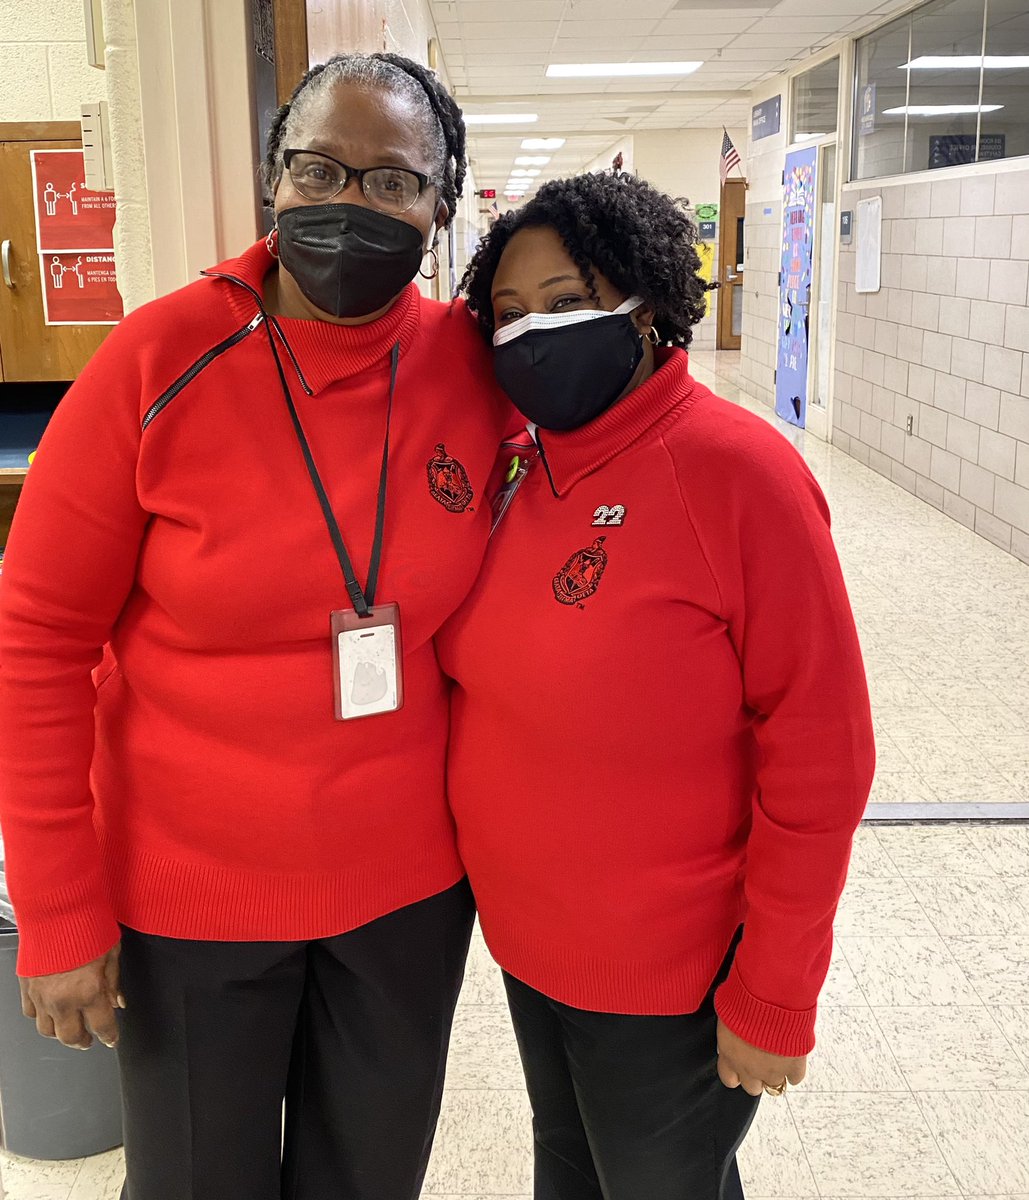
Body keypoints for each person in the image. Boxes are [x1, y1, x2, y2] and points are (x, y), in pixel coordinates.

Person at [0, 52, 509, 1200]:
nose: (350, 203)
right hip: (190, 896)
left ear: (441, 207)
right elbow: (35, 643)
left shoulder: (474, 371)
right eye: (319, 169)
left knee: (369, 1181)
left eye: (394, 181)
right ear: (273, 179)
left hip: (407, 897)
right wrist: (58, 908)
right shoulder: (157, 359)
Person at [437, 171, 876, 1200]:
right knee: (569, 1174)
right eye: (508, 313)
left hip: (672, 975)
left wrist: (776, 989)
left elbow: (823, 751)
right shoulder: (523, 470)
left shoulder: (735, 473)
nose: (532, 334)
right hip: (532, 946)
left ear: (645, 309)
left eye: (565, 302)